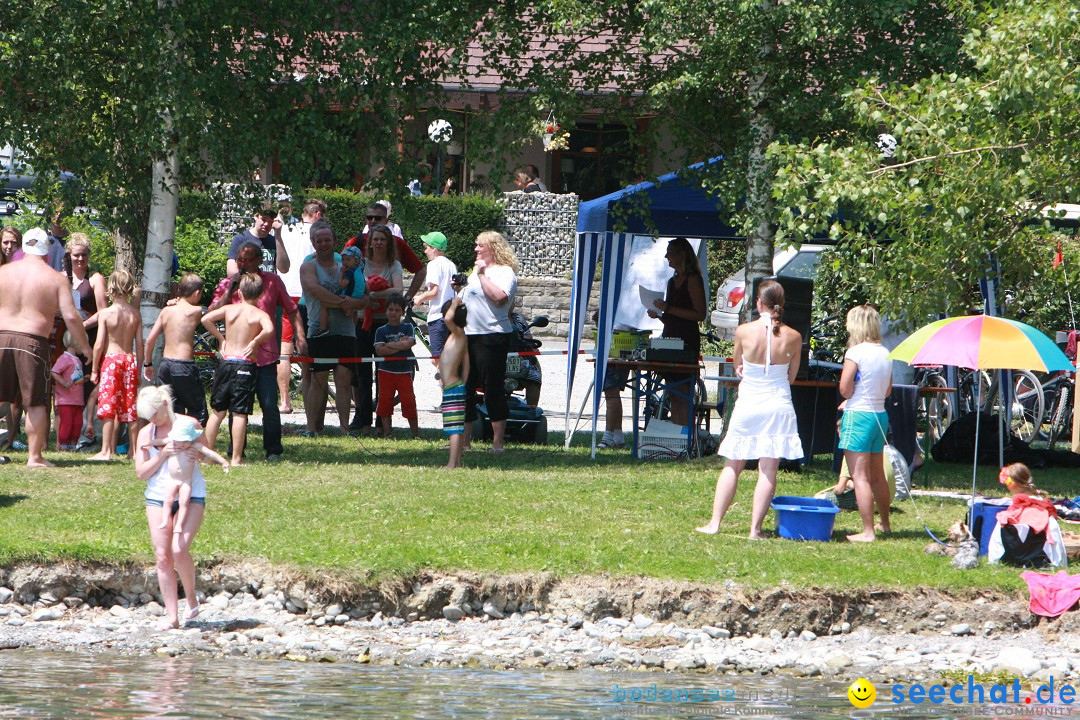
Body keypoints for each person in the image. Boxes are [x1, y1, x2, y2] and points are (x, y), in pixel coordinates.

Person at [696, 280, 804, 538]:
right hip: (778, 402)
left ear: (759, 303)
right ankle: (755, 529)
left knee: (732, 464)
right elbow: (791, 377)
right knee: (769, 468)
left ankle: (714, 523)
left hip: (750, 401)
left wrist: (746, 369)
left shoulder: (744, 331)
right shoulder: (795, 336)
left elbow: (738, 365)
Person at [0, 228, 90, 466]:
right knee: (36, 402)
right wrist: (85, 346)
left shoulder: (3, 272)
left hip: (1, 337)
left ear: (23, 248)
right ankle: (34, 457)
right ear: (46, 252)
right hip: (32, 341)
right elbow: (71, 316)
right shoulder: (56, 278)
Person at [209, 241, 305, 461]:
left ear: (260, 260)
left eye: (247, 259)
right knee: (236, 407)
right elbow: (212, 312)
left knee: (269, 405)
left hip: (264, 357)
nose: (242, 264)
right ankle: (236, 451)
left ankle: (273, 450)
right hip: (237, 359)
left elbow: (291, 309)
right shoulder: (229, 283)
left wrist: (300, 336)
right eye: (239, 260)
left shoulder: (272, 281)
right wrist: (230, 289)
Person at [134, 385, 206, 629]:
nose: (153, 419)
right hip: (158, 495)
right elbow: (141, 474)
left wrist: (195, 450)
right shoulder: (146, 433)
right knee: (162, 556)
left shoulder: (188, 423)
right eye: (148, 416)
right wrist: (162, 454)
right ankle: (172, 617)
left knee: (179, 548)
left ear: (165, 404)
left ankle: (191, 596)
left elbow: (205, 453)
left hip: (190, 491)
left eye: (155, 413)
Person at [299, 221, 366, 435]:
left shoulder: (347, 265)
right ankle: (311, 427)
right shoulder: (308, 266)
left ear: (335, 242)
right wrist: (342, 303)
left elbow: (364, 296)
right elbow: (314, 289)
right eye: (319, 241)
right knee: (318, 379)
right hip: (319, 330)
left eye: (327, 240)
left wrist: (350, 303)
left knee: (344, 380)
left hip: (346, 331)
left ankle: (345, 428)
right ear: (313, 243)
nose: (324, 244)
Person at [202, 273, 274, 466]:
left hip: (226, 361)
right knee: (240, 412)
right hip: (245, 363)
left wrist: (221, 338)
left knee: (218, 411)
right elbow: (269, 329)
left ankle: (208, 457)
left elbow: (206, 319)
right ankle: (236, 458)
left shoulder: (229, 309)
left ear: (240, 292)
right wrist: (256, 340)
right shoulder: (259, 314)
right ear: (261, 295)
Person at [838, 304, 893, 543]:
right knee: (877, 474)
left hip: (858, 416)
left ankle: (868, 531)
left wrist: (850, 397)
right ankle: (885, 524)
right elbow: (888, 390)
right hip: (879, 415)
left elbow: (845, 389)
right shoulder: (886, 352)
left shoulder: (855, 352)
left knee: (859, 476)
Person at [461, 230, 519, 453]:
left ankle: (497, 443)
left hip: (492, 336)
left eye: (480, 245)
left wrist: (483, 275)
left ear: (493, 248)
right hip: (468, 335)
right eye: (476, 245)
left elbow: (499, 298)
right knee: (465, 389)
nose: (476, 249)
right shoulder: (475, 272)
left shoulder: (504, 272)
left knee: (492, 388)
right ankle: (464, 443)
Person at [647, 237, 707, 426]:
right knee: (673, 392)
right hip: (670, 337)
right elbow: (672, 316)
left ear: (681, 254)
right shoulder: (672, 281)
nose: (666, 257)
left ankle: (685, 434)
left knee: (684, 391)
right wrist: (659, 315)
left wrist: (668, 309)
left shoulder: (692, 279)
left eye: (670, 252)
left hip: (687, 340)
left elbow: (700, 314)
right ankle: (676, 433)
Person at [351, 224, 404, 435]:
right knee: (362, 375)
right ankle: (363, 421)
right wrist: (371, 295)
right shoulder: (361, 264)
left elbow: (398, 290)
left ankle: (383, 423)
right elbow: (356, 290)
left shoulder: (395, 265)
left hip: (385, 324)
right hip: (363, 322)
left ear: (388, 243)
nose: (379, 243)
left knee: (384, 375)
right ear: (370, 243)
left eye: (382, 239)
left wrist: (373, 295)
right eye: (375, 239)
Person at [90, 269, 144, 461]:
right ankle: (135, 451)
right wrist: (141, 367)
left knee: (108, 407)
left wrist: (95, 369)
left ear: (111, 287)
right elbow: (139, 344)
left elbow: (98, 345)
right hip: (130, 360)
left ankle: (106, 450)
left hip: (112, 360)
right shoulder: (135, 314)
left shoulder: (106, 313)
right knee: (130, 408)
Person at [276, 198, 324, 414]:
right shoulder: (317, 233)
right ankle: (309, 399)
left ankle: (285, 401)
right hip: (307, 294)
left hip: (286, 292)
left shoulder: (286, 228)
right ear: (318, 214)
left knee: (285, 348)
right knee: (308, 347)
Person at [143, 273, 209, 424]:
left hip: (166, 366)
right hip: (184, 366)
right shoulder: (196, 311)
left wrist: (148, 364)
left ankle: (172, 445)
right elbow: (214, 310)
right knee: (198, 411)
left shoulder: (167, 311)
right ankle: (194, 445)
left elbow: (150, 340)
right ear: (197, 293)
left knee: (172, 410)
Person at [66, 233, 108, 449]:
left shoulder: (95, 279)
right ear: (69, 255)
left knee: (90, 386)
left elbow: (104, 312)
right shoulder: (62, 278)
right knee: (69, 385)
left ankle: (89, 432)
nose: (80, 259)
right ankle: (69, 434)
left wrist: (82, 326)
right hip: (66, 341)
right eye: (76, 255)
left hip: (90, 338)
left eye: (84, 255)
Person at [152, 416, 229, 531]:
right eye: (180, 440)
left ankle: (179, 524)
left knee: (184, 501)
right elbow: (158, 441)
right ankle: (164, 520)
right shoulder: (172, 443)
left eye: (186, 441)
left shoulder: (194, 445)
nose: (182, 444)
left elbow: (210, 453)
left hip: (185, 481)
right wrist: (145, 444)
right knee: (168, 499)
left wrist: (223, 462)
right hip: (172, 480)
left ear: (191, 439)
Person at [343, 203, 426, 300]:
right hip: (359, 308)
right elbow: (340, 266)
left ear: (386, 220)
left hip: (388, 310)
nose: (373, 221)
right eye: (369, 217)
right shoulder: (355, 241)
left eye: (378, 218)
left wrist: (407, 298)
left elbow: (420, 271)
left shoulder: (397, 243)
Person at [411, 231, 457, 371]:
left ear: (434, 249)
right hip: (452, 316)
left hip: (438, 316)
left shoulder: (433, 264)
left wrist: (418, 298)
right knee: (449, 358)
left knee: (438, 360)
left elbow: (434, 292)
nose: (425, 251)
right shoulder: (451, 265)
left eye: (426, 247)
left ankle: (446, 390)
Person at [374, 294, 419, 438]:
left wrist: (390, 345)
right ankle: (388, 432)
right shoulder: (380, 331)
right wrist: (401, 346)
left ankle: (415, 434)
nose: (394, 313)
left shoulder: (408, 327)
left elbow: (409, 343)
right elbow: (380, 351)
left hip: (405, 370)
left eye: (397, 310)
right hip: (385, 371)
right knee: (385, 401)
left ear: (403, 312)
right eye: (391, 309)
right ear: (386, 311)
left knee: (409, 401)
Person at [440, 297, 469, 469]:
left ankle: (451, 463)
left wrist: (454, 303)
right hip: (454, 387)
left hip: (453, 387)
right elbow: (467, 364)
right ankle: (456, 462)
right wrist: (463, 383)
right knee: (454, 425)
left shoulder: (458, 333)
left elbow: (447, 319)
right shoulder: (458, 336)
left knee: (454, 428)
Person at [226, 201, 291, 277]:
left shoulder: (274, 241)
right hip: (247, 286)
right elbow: (231, 272)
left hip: (269, 286)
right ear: (256, 216)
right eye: (263, 219)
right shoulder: (241, 239)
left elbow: (284, 269)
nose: (266, 224)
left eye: (270, 221)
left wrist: (278, 235)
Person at [314, 245, 365, 337]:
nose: (345, 262)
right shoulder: (359, 271)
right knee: (354, 312)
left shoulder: (349, 272)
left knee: (323, 304)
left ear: (356, 261)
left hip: (347, 297)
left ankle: (323, 328)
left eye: (348, 260)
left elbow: (342, 285)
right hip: (357, 297)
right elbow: (366, 287)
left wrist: (341, 273)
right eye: (343, 259)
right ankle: (353, 330)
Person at [51, 331, 86, 451]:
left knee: (77, 424)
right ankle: (63, 444)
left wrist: (83, 379)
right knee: (67, 423)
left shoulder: (77, 360)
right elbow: (54, 371)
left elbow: (75, 378)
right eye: (83, 343)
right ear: (75, 342)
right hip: (66, 399)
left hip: (77, 400)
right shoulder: (65, 358)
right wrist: (63, 383)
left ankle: (72, 443)